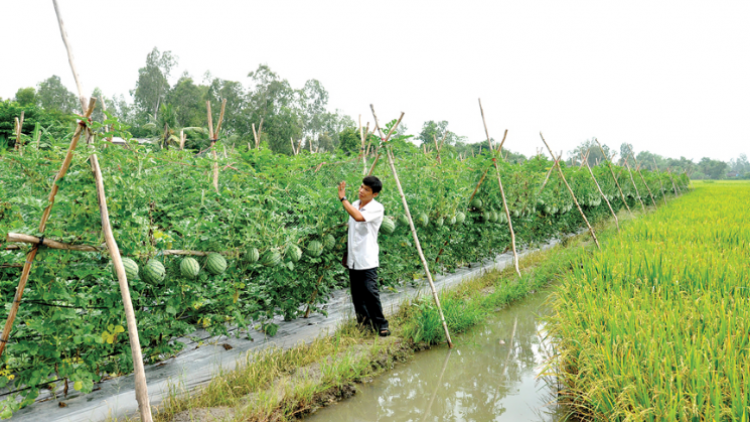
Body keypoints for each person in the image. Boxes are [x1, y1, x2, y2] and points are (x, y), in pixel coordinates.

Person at [337, 176, 390, 337]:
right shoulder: (354, 205)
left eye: (366, 189)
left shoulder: (377, 208)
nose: (361, 191)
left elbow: (358, 217)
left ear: (374, 194)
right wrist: (347, 253)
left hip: (367, 259)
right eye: (361, 187)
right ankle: (364, 324)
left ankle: (381, 324)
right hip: (354, 258)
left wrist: (342, 198)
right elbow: (352, 230)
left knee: (370, 291)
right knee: (357, 295)